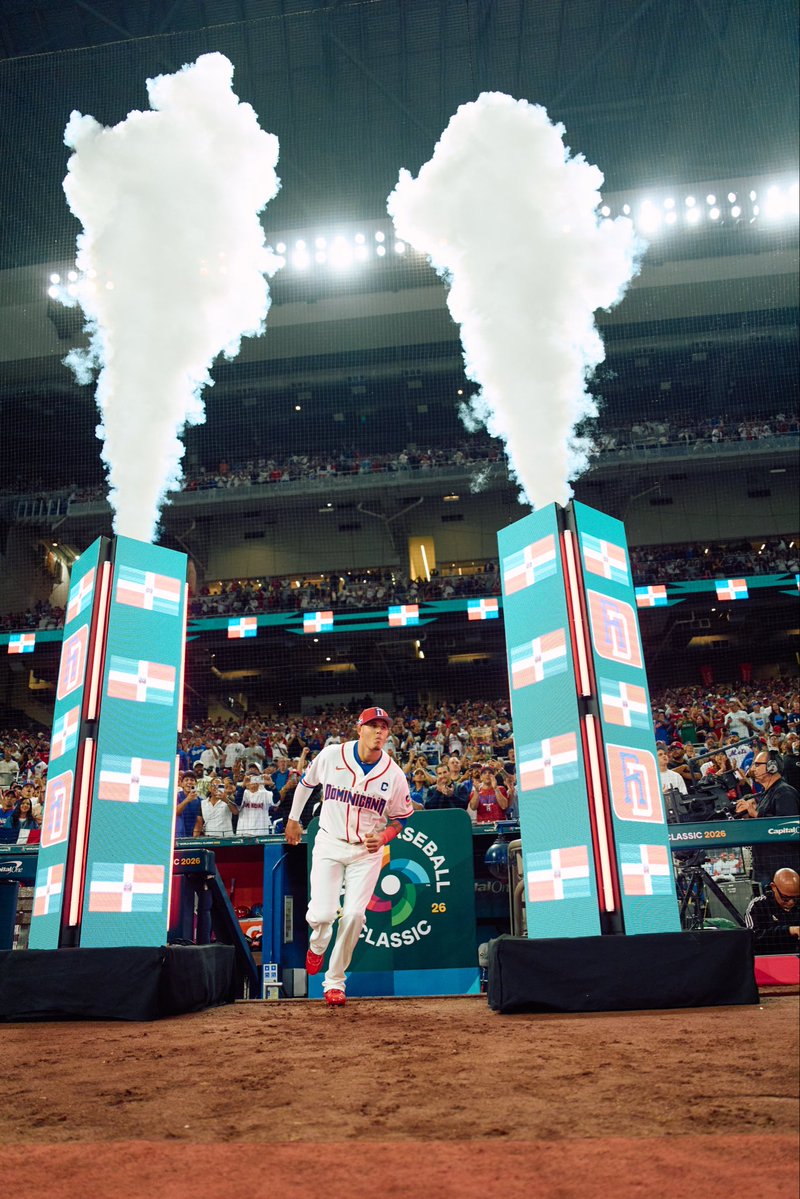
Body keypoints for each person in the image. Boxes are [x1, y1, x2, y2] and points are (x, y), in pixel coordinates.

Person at [284, 707, 413, 1007]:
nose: (380, 731)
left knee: (354, 915)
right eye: (373, 726)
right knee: (323, 915)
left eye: (384, 727)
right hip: (329, 841)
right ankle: (317, 945)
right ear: (359, 729)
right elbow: (306, 783)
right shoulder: (332, 756)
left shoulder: (393, 774)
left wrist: (384, 837)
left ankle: (335, 981)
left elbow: (402, 818)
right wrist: (293, 818)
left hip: (365, 852)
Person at [736, 752, 800, 884]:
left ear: (772, 767)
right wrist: (749, 817)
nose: (753, 769)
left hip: (782, 870)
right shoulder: (767, 793)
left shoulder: (784, 792)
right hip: (767, 867)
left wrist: (755, 813)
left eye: (757, 765)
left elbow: (788, 827)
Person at [744, 867, 800, 954]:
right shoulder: (759, 906)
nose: (791, 903)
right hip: (769, 959)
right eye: (785, 898)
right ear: (773, 887)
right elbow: (753, 937)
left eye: (796, 898)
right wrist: (789, 931)